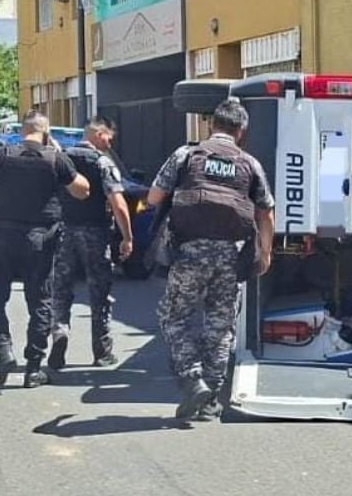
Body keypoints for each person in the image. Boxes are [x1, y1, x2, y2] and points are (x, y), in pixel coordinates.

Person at [147, 99, 275, 421]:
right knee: (220, 327)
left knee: (174, 317)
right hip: (229, 256)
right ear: (241, 131)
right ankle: (210, 400)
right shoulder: (249, 164)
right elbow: (266, 212)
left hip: (189, 252)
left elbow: (153, 197)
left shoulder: (186, 155)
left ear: (211, 125)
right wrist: (266, 251)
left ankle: (193, 380)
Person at [0, 111, 90, 388]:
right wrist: (61, 156)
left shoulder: (0, 156)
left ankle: (4, 350)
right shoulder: (55, 158)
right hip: (41, 238)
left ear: (23, 131)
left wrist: (0, 190)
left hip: (2, 236)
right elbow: (82, 191)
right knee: (39, 302)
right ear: (46, 132)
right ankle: (33, 369)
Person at [48, 117, 133, 370]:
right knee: (100, 294)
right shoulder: (101, 162)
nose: (110, 143)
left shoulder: (61, 159)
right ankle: (102, 351)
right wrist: (127, 237)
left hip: (64, 232)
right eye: (108, 137)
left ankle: (60, 332)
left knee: (61, 291)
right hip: (95, 233)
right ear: (97, 134)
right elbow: (118, 203)